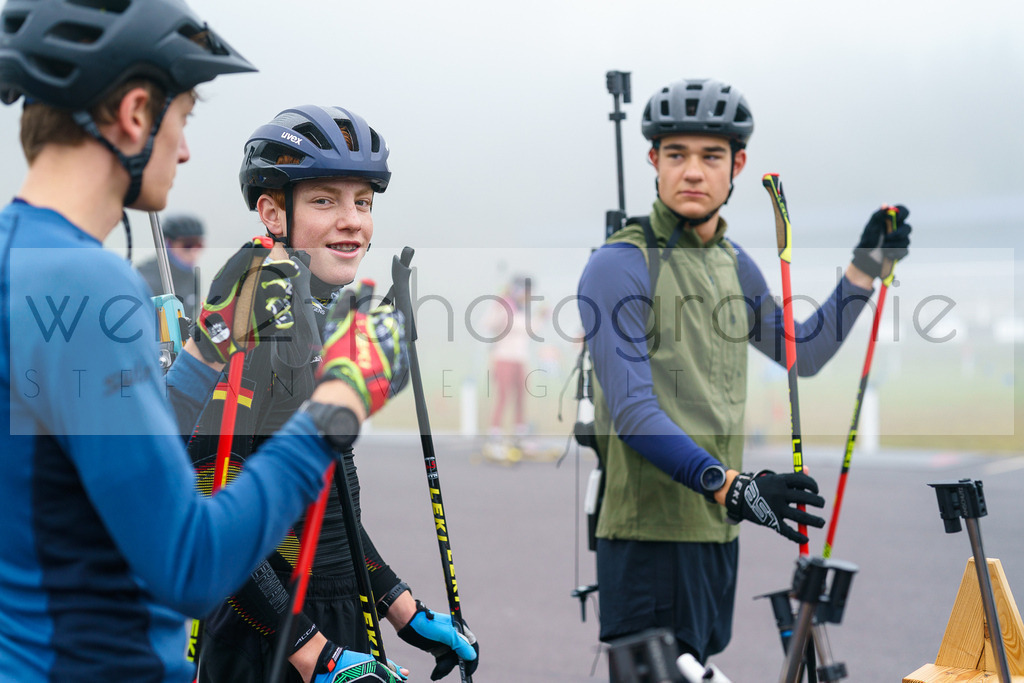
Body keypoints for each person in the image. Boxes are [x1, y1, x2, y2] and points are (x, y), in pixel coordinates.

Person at [0, 2, 408, 682]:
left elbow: (110, 464)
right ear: (135, 113)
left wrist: (204, 353)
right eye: (183, 117)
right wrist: (340, 403)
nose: (185, 149)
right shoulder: (87, 282)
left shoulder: (22, 259)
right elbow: (189, 562)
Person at [576, 77, 911, 666]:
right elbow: (632, 412)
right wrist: (733, 487)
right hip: (647, 541)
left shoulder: (732, 264)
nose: (694, 172)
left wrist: (863, 269)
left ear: (738, 166)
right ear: (654, 161)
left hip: (715, 535)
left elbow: (800, 352)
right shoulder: (619, 265)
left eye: (711, 156)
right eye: (677, 154)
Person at [181, 105, 479, 683]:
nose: (352, 222)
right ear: (272, 211)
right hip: (267, 640)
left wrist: (404, 610)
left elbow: (326, 506)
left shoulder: (309, 314)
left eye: (362, 202)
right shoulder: (256, 319)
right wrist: (317, 655)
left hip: (333, 619)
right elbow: (210, 508)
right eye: (324, 201)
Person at [137, 213, 206, 319]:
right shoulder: (145, 278)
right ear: (168, 243)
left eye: (198, 244)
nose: (194, 251)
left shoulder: (192, 276)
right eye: (187, 245)